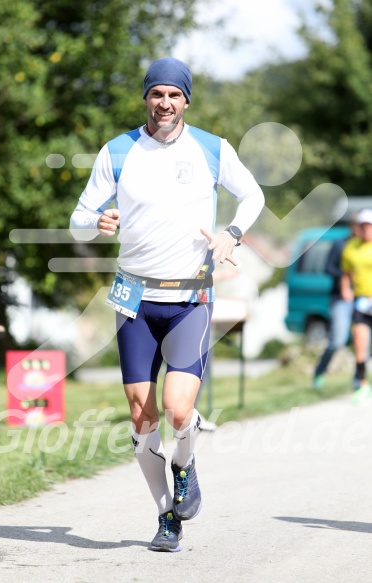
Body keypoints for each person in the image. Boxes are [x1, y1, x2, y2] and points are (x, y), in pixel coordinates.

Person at [70, 57, 264, 552]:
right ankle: (166, 519)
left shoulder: (211, 149)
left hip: (188, 297)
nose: (165, 103)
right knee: (141, 415)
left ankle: (184, 464)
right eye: (157, 93)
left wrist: (231, 234)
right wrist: (97, 223)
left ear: (186, 101)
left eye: (174, 95)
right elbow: (78, 218)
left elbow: (253, 196)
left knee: (180, 410)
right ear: (146, 98)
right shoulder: (117, 151)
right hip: (134, 297)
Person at [312, 217, 362, 389]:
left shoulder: (366, 246)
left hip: (362, 298)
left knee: (361, 342)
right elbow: (328, 268)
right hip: (341, 298)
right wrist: (344, 277)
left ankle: (359, 383)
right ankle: (320, 370)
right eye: (359, 226)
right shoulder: (341, 244)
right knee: (338, 340)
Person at [341, 209, 372, 404]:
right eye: (363, 226)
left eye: (369, 225)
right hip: (361, 302)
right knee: (359, 342)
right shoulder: (351, 247)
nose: (366, 229)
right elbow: (346, 272)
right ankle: (362, 384)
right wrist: (345, 288)